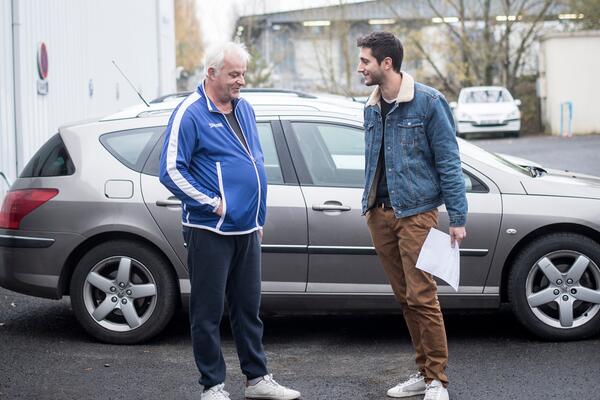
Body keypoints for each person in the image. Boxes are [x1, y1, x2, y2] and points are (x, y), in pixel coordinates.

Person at [159, 41, 301, 400]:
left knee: (248, 309)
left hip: (247, 229)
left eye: (243, 74)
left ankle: (257, 380)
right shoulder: (190, 113)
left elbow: (255, 163)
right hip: (210, 230)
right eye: (234, 74)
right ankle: (212, 386)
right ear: (211, 73)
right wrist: (213, 204)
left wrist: (258, 216)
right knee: (207, 313)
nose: (241, 81)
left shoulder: (245, 109)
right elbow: (171, 171)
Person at [356, 31, 467, 400]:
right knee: (405, 297)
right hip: (380, 214)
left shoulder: (428, 102)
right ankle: (423, 373)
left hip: (416, 213)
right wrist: (369, 207)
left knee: (422, 295)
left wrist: (458, 216)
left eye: (365, 61)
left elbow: (449, 162)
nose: (360, 68)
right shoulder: (371, 106)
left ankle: (437, 379)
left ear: (386, 63)